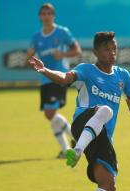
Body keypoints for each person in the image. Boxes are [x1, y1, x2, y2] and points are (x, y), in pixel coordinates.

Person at [28, 31, 130, 191]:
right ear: (96, 52)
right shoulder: (86, 70)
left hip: (100, 137)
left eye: (114, 49)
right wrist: (44, 70)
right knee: (105, 110)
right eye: (106, 49)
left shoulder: (122, 76)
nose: (111, 53)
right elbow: (65, 78)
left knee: (108, 184)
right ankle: (77, 149)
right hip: (82, 123)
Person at [26, 3, 82, 158]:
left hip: (59, 77)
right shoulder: (36, 37)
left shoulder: (62, 32)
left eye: (49, 13)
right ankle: (66, 150)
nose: (46, 16)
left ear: (54, 16)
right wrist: (30, 58)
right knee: (49, 115)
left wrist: (62, 55)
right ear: (39, 16)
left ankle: (76, 139)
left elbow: (77, 50)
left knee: (50, 113)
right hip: (45, 78)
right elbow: (29, 57)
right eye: (43, 13)